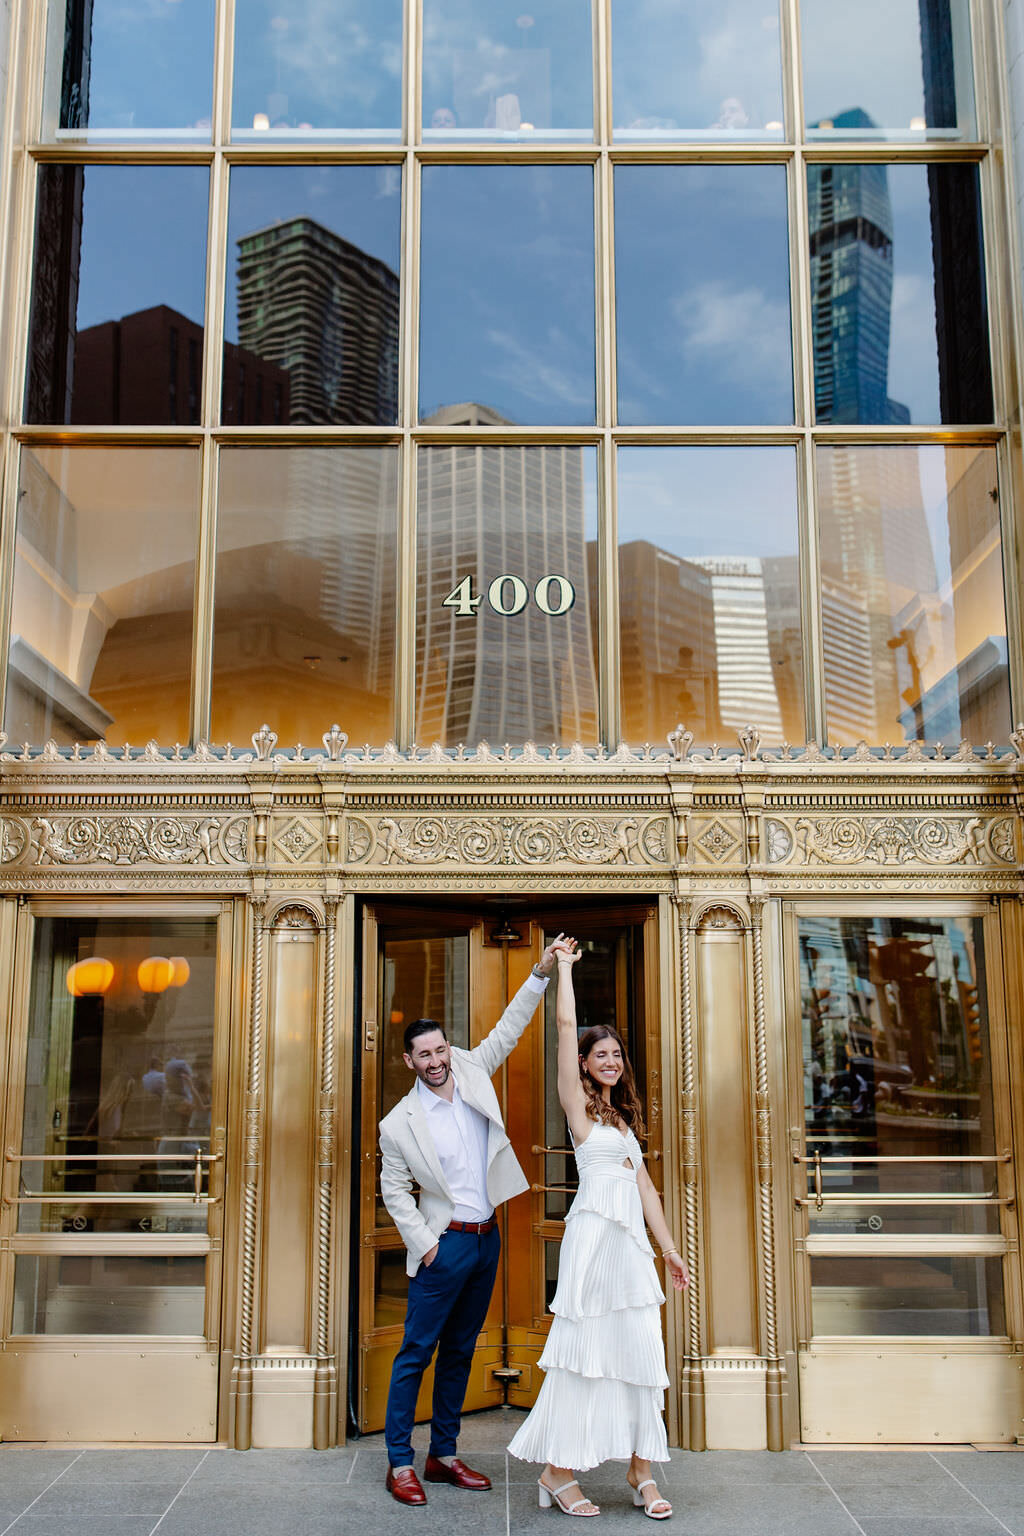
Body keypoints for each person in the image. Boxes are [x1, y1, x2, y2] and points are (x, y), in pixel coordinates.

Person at [379, 933, 572, 1507]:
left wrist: (540, 973)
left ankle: (443, 1455)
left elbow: (509, 1028)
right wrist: (427, 1244)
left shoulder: (471, 1070)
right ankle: (398, 1463)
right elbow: (394, 1191)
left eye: (441, 1050)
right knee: (417, 1351)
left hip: (486, 1240)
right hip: (444, 1247)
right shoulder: (399, 1123)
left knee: (461, 1350)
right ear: (409, 1061)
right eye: (425, 1056)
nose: (436, 1063)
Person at [508, 940, 688, 1518]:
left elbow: (647, 1192)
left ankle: (641, 1471)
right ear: (584, 1063)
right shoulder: (579, 1110)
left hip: (631, 1250)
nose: (610, 1060)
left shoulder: (624, 1122)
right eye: (599, 1053)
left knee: (638, 1352)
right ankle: (558, 1471)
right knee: (586, 1355)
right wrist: (562, 967)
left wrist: (670, 1250)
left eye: (616, 1053)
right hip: (593, 1244)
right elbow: (565, 1025)